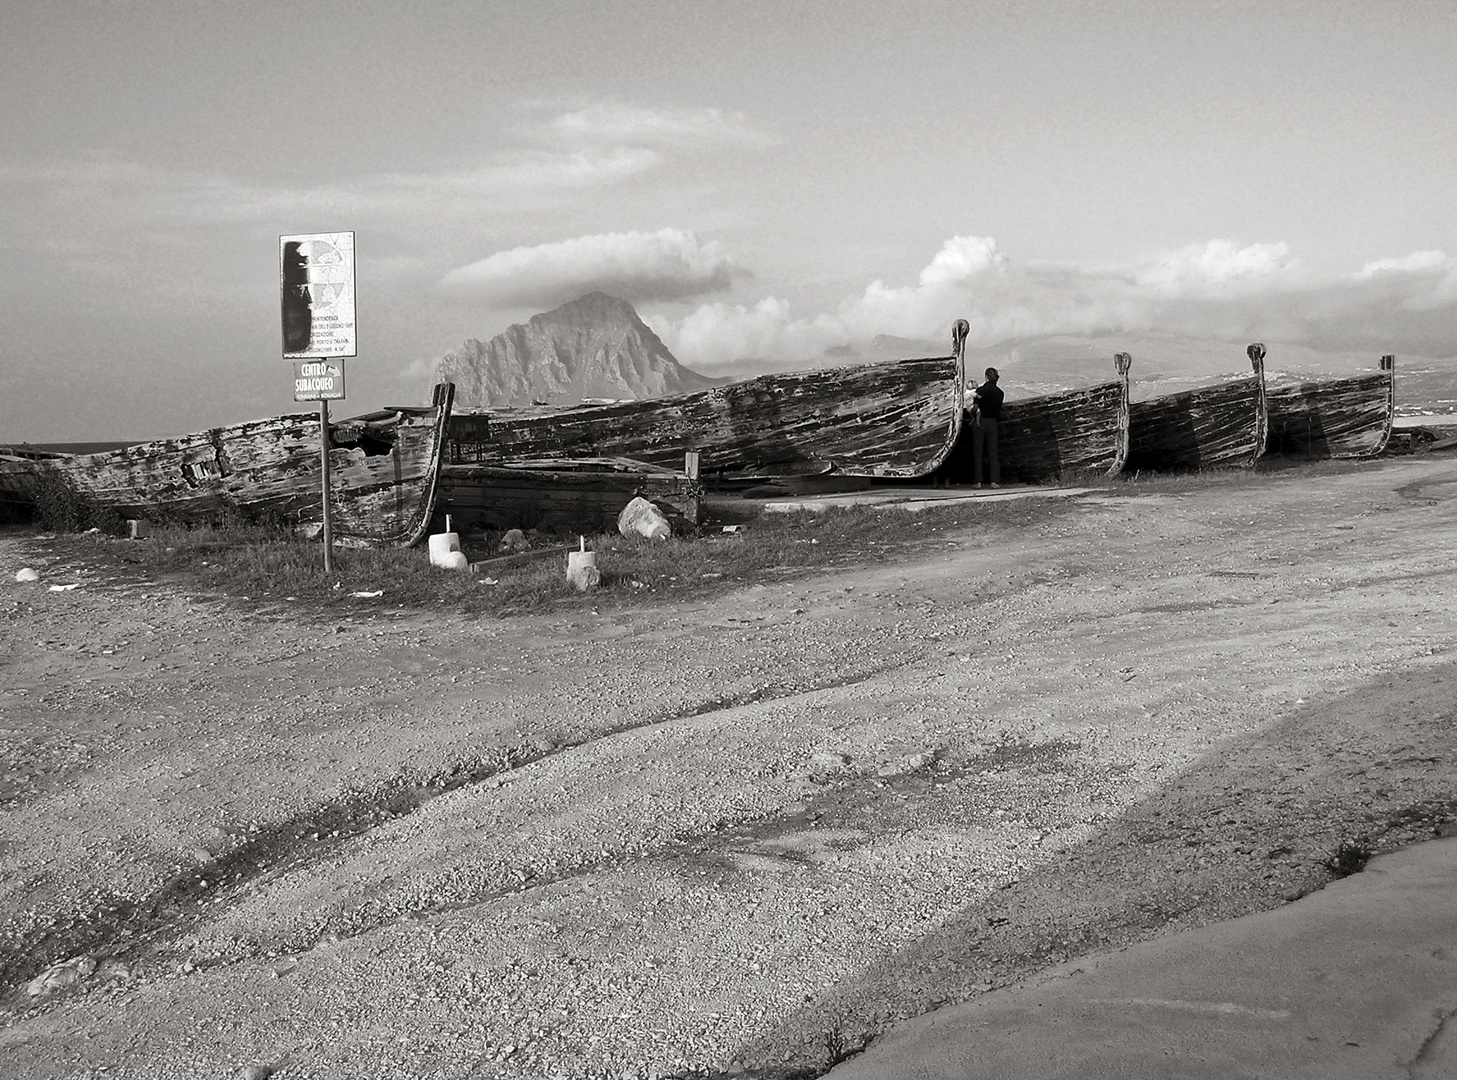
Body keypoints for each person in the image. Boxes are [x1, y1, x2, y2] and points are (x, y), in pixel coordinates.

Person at [971, 367, 1003, 488]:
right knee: (993, 452)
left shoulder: (981, 391)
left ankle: (978, 481)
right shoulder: (1000, 393)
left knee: (978, 452)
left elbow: (975, 408)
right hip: (993, 422)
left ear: (986, 377)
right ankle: (994, 481)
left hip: (980, 422)